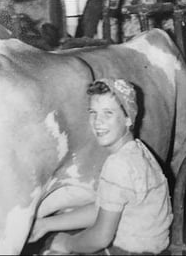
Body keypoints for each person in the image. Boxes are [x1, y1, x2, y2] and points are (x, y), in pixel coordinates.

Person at [29, 78, 173, 255]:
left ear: (128, 119)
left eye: (108, 113)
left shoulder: (118, 164)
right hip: (151, 247)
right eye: (93, 112)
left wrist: (67, 244)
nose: (98, 122)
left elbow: (100, 238)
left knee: (51, 249)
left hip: (128, 251)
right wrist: (46, 224)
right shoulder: (139, 150)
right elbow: (104, 209)